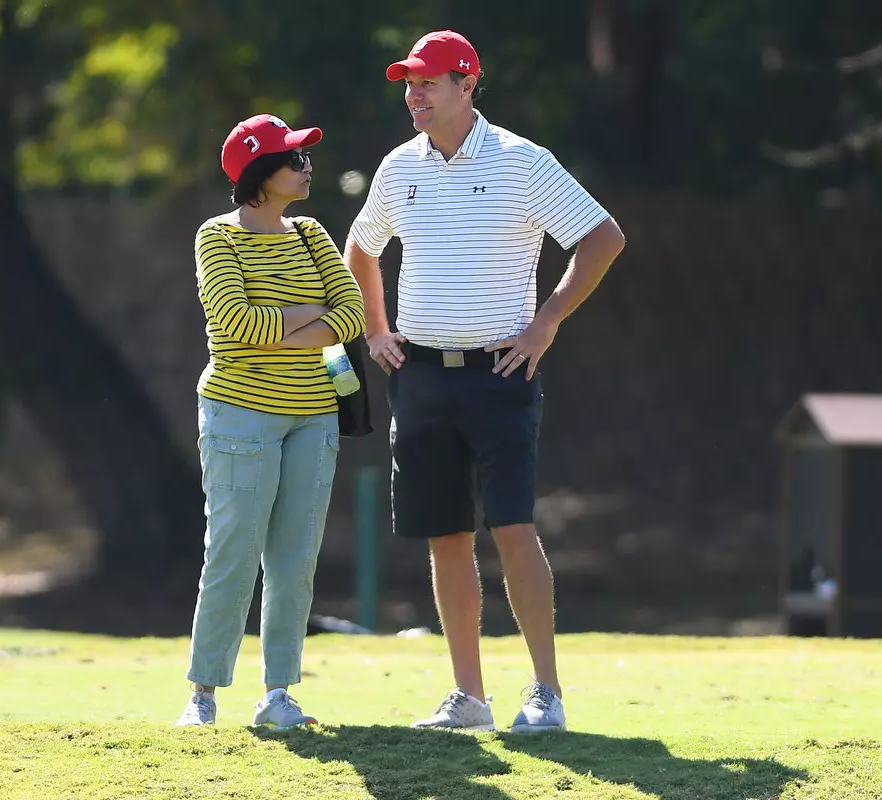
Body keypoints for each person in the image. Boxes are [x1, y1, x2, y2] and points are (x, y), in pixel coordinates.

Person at [345, 30, 626, 733]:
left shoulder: (521, 162)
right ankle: (469, 697)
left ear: (467, 85)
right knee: (445, 535)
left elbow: (602, 238)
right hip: (421, 378)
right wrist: (376, 330)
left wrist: (546, 323)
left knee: (511, 527)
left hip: (498, 375)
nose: (414, 95)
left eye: (428, 83)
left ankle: (546, 694)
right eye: (408, 83)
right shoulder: (397, 167)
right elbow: (361, 246)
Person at [178, 113, 366, 728]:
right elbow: (235, 327)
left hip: (313, 415)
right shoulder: (218, 237)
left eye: (306, 158)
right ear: (260, 172)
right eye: (295, 159)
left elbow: (354, 312)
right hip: (239, 414)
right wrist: (313, 317)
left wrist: (288, 321)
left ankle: (279, 694)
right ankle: (204, 693)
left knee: (294, 558)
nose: (307, 167)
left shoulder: (311, 233)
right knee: (232, 549)